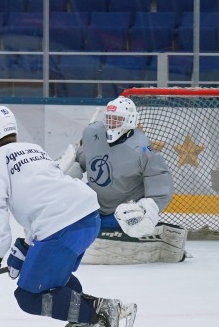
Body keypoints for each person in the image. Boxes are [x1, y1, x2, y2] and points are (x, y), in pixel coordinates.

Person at [0, 105, 137, 327]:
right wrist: (26, 246)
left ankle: (101, 311)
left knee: (28, 296)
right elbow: (45, 196)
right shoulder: (34, 150)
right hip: (89, 216)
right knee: (54, 278)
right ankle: (84, 320)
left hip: (61, 226)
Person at [60, 96, 187, 266]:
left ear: (130, 120)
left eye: (117, 119)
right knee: (65, 209)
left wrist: (148, 208)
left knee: (128, 220)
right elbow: (81, 161)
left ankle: (152, 233)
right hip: (95, 202)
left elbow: (159, 179)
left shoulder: (142, 147)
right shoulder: (92, 133)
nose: (112, 123)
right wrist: (61, 178)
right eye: (109, 118)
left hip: (122, 207)